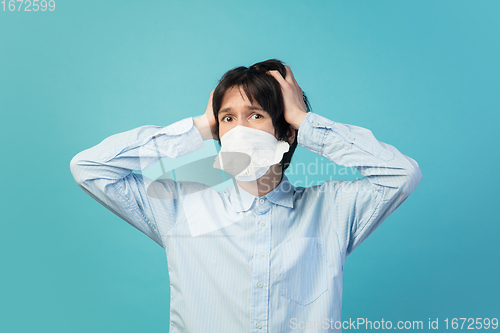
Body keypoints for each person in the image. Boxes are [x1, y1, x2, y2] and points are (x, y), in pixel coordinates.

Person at [70, 59, 422, 332]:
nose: (239, 130)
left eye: (255, 115)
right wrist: (199, 127)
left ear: (286, 133)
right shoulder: (181, 209)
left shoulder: (331, 210)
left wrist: (304, 119)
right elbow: (90, 168)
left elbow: (401, 174)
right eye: (227, 119)